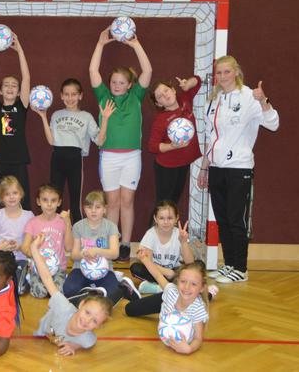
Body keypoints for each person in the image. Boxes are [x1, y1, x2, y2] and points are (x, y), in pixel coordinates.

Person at [197, 56, 279, 284]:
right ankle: (230, 264)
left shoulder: (250, 96)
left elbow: (273, 124)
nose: (222, 76)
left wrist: (264, 101)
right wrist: (204, 168)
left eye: (226, 72)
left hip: (239, 168)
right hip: (216, 168)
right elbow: (210, 138)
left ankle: (241, 268)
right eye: (219, 73)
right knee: (222, 219)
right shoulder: (213, 100)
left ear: (236, 72)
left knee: (236, 220)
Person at [88, 27, 152, 261]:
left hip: (131, 156)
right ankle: (111, 243)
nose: (116, 85)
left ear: (129, 85)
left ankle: (125, 243)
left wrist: (135, 45)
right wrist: (100, 44)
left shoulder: (136, 97)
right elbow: (92, 69)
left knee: (127, 200)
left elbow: (148, 70)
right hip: (109, 156)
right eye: (113, 82)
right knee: (112, 202)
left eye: (121, 82)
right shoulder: (103, 96)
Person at [34, 78, 114, 224]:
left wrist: (106, 119)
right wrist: (43, 118)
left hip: (75, 159)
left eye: (74, 94)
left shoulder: (86, 116)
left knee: (75, 202)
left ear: (80, 95)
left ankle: (77, 237)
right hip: (57, 158)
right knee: (54, 199)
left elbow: (100, 141)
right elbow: (51, 141)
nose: (70, 98)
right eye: (67, 94)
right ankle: (53, 232)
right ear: (61, 96)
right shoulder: (56, 114)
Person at [30, 234, 112, 356]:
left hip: (55, 328)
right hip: (57, 312)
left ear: (99, 326)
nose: (87, 320)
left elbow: (89, 342)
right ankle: (84, 293)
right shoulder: (63, 308)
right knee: (62, 299)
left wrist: (74, 345)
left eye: (94, 321)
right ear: (82, 305)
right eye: (87, 312)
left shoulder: (88, 340)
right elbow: (47, 278)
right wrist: (34, 249)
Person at [125, 250, 210, 355]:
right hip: (167, 300)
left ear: (201, 288)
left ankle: (210, 294)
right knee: (129, 309)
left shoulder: (197, 308)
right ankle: (149, 290)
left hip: (175, 303)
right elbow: (157, 275)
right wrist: (144, 259)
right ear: (177, 281)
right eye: (183, 282)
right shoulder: (171, 291)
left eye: (193, 284)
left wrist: (189, 349)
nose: (187, 287)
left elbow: (198, 338)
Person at [62, 191, 140, 304]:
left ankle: (114, 286)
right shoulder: (78, 226)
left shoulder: (110, 227)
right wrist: (84, 254)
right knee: (68, 290)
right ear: (84, 209)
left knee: (113, 291)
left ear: (104, 209)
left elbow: (114, 254)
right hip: (80, 269)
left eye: (98, 207)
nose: (93, 210)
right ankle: (93, 291)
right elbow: (74, 255)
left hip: (105, 271)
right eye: (89, 207)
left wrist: (96, 251)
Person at [0, 34, 32, 209]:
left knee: (21, 201)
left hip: (18, 161)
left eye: (14, 85)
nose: (10, 87)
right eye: (6, 85)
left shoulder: (22, 106)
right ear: (1, 91)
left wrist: (20, 51)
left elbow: (26, 78)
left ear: (19, 92)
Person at [147, 76, 202, 214]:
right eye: (160, 96)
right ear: (159, 104)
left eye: (166, 90)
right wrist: (172, 146)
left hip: (183, 164)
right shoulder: (160, 120)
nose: (165, 95)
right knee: (163, 206)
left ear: (173, 90)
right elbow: (152, 146)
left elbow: (198, 81)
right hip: (166, 167)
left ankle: (170, 236)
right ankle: (152, 235)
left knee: (173, 205)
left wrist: (187, 84)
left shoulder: (185, 100)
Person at [130, 201, 195, 294]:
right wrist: (167, 272)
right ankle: (167, 287)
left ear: (176, 218)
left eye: (170, 218)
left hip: (174, 272)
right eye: (161, 218)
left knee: (197, 267)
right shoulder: (150, 234)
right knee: (135, 268)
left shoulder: (179, 234)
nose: (166, 222)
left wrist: (183, 242)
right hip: (156, 271)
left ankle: (158, 287)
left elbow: (190, 263)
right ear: (155, 219)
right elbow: (148, 263)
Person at [21, 185, 73, 298]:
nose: (49, 204)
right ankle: (31, 278)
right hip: (38, 269)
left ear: (59, 202)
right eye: (45, 200)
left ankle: (63, 279)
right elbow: (24, 247)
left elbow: (69, 247)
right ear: (38, 202)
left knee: (57, 294)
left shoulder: (62, 221)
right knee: (41, 293)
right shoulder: (32, 222)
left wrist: (68, 224)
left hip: (58, 269)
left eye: (53, 200)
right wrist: (36, 256)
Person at [0, 176, 34, 295]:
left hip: (21, 259)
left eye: (15, 193)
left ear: (21, 194)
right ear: (1, 197)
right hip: (1, 258)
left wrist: (20, 246)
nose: (11, 197)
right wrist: (0, 246)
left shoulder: (29, 216)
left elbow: (32, 243)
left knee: (19, 290)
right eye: (7, 194)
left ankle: (25, 276)